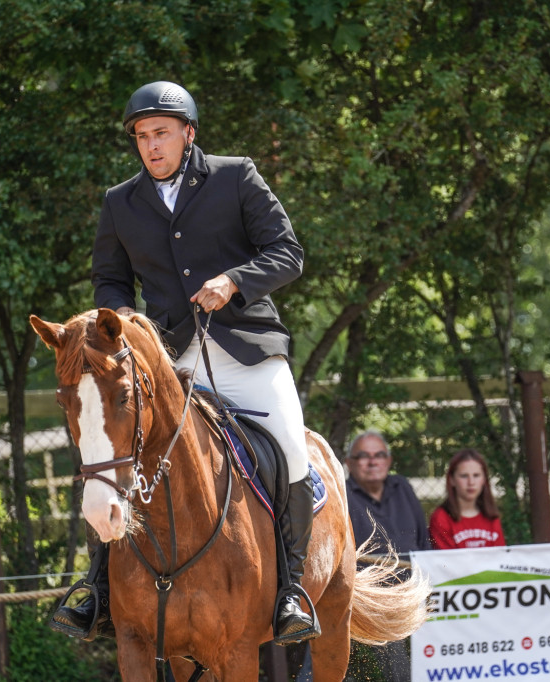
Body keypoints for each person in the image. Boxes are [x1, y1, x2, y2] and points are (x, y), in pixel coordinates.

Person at [52, 80, 319, 646]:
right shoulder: (119, 202)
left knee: (292, 450)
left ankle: (292, 588)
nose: (151, 146)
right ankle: (97, 589)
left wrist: (234, 280)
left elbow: (287, 251)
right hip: (173, 358)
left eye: (161, 134)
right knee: (120, 452)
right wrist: (118, 311)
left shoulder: (235, 176)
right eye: (143, 137)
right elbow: (109, 277)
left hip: (248, 349)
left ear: (188, 134)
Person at [344, 430, 429, 682]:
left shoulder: (402, 487)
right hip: (369, 600)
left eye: (379, 455)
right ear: (349, 463)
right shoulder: (342, 494)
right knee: (397, 669)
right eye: (363, 456)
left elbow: (422, 539)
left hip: (413, 591)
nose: (372, 462)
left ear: (388, 461)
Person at [429, 448, 506, 550]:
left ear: (484, 479)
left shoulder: (491, 516)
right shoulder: (441, 518)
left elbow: (500, 559)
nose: (471, 482)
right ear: (452, 480)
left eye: (476, 475)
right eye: (464, 476)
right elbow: (446, 562)